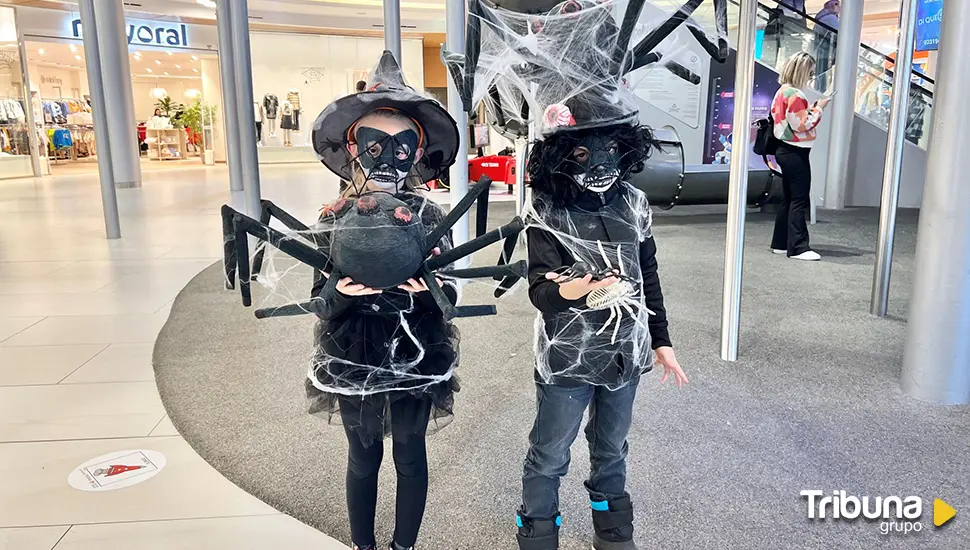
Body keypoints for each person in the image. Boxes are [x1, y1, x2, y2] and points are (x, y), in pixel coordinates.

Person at [308, 51, 461, 550]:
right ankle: (365, 545)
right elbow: (320, 302)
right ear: (355, 148)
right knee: (363, 455)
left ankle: (403, 546)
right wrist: (337, 291)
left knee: (411, 453)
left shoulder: (429, 215)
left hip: (418, 346)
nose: (389, 157)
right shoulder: (334, 217)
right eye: (377, 145)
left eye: (402, 147)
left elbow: (450, 293)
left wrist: (433, 292)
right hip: (356, 346)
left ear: (416, 154)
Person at [770, 52, 831, 261]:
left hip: (784, 150)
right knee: (799, 198)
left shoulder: (782, 92)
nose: (811, 75)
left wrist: (811, 110)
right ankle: (797, 247)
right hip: (795, 151)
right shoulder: (795, 94)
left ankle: (780, 242)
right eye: (810, 71)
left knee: (789, 197)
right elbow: (802, 124)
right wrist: (819, 110)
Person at [813, 0, 840, 93]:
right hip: (827, 52)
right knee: (825, 77)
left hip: (821, 52)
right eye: (836, 4)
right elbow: (839, 33)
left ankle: (818, 93)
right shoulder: (831, 18)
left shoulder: (821, 18)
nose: (839, 7)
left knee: (820, 76)